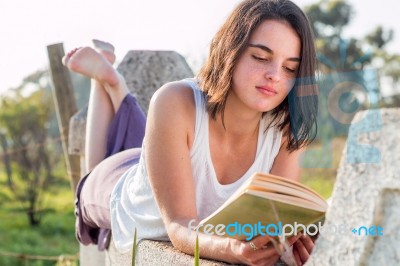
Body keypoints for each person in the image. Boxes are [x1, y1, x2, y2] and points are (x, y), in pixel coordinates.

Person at [64, 0, 319, 265]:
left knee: (140, 144)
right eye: (260, 57)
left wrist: (293, 244)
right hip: (120, 186)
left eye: (290, 68)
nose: (275, 76)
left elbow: (270, 226)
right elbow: (178, 227)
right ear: (230, 51)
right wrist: (231, 250)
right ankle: (108, 82)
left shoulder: (288, 132)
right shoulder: (174, 101)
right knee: (94, 171)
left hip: (162, 160)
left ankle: (114, 84)